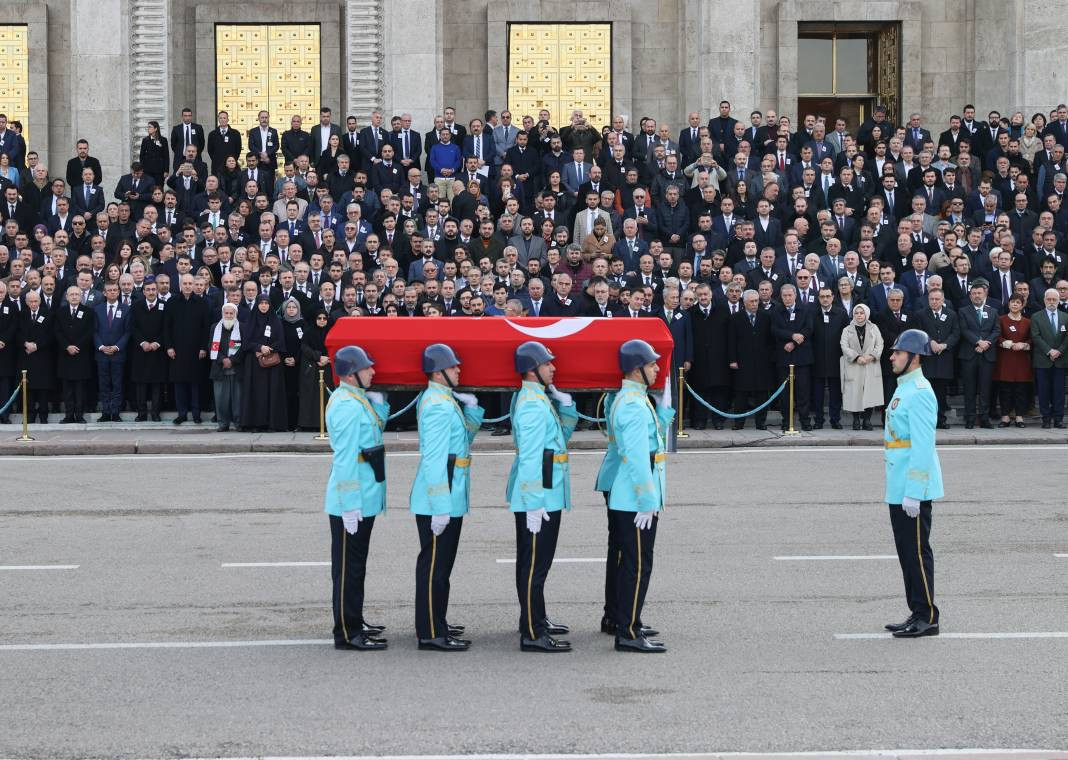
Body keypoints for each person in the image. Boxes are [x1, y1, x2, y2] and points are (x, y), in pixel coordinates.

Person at [597, 339, 673, 652]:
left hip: (629, 496)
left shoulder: (635, 399)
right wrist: (647, 500)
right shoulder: (631, 404)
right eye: (652, 363)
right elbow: (637, 457)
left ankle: (628, 620)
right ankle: (627, 631)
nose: (657, 368)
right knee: (637, 564)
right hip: (633, 499)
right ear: (636, 369)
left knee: (631, 561)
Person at [410, 343, 484, 651]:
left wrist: (473, 411)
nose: (459, 370)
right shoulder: (438, 405)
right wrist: (441, 507)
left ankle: (436, 619)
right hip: (438, 500)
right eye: (453, 367)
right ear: (438, 373)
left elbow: (461, 441)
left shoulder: (444, 399)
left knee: (442, 567)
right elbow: (435, 459)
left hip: (449, 496)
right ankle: (430, 631)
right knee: (435, 569)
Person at [506, 340, 578, 652]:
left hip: (546, 491)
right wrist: (534, 503)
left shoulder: (539, 398)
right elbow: (532, 458)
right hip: (540, 496)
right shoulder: (533, 404)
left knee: (535, 563)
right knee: (535, 565)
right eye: (548, 363)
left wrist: (567, 407)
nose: (554, 367)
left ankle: (535, 618)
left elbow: (558, 439)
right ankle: (533, 633)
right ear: (533, 370)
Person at [324, 345, 390, 651]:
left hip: (364, 495)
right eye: (368, 367)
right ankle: (347, 632)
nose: (373, 371)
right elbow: (347, 458)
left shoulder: (355, 399)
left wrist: (380, 404)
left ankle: (355, 618)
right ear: (352, 374)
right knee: (348, 567)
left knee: (356, 565)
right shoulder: (346, 406)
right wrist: (350, 505)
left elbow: (374, 432)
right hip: (352, 500)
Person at [883, 328, 944, 638]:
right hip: (898, 485)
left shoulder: (920, 391)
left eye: (898, 352)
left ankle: (928, 616)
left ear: (914, 358)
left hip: (912, 489)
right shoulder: (904, 387)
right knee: (907, 553)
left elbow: (922, 447)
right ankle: (916, 610)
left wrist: (914, 494)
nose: (892, 356)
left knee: (918, 553)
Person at [164, 273, 210, 424]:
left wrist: (204, 347)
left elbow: (206, 328)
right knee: (179, 383)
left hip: (196, 350)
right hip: (177, 350)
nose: (188, 286)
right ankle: (182, 413)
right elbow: (167, 327)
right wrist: (169, 347)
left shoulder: (202, 303)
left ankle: (196, 413)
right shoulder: (172, 302)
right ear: (180, 285)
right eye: (185, 283)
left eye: (191, 283)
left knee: (195, 383)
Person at [239, 293, 287, 431]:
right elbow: (246, 343)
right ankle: (255, 423)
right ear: (257, 304)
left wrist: (269, 349)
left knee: (271, 393)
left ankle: (272, 423)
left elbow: (281, 342)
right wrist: (260, 347)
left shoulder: (275, 320)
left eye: (266, 303)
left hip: (272, 364)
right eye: (261, 303)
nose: (264, 306)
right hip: (254, 364)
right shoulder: (251, 320)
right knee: (256, 393)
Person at [840, 303, 884, 430]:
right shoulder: (847, 329)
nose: (859, 315)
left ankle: (867, 420)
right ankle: (856, 420)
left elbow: (880, 344)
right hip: (854, 365)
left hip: (870, 364)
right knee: (855, 394)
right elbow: (844, 346)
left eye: (861, 313)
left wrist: (872, 356)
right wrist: (856, 357)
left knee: (870, 394)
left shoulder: (874, 328)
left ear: (866, 314)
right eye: (856, 313)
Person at [129, 276, 167, 421]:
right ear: (143, 292)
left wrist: (157, 342)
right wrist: (143, 342)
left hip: (158, 351)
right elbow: (133, 327)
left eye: (153, 289)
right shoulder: (136, 305)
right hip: (141, 351)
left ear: (157, 290)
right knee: (141, 384)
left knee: (157, 384)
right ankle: (142, 413)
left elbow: (167, 328)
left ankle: (156, 413)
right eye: (148, 290)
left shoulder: (164, 305)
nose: (151, 292)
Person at [93, 281, 132, 422]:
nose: (112, 292)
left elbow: (128, 331)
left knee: (117, 383)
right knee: (103, 383)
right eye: (109, 290)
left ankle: (115, 412)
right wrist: (101, 347)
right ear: (104, 292)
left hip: (118, 353)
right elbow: (94, 331)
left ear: (119, 292)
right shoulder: (97, 309)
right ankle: (105, 411)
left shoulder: (126, 309)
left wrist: (117, 347)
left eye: (115, 290)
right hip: (101, 353)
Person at [55, 285, 94, 423]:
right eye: (71, 294)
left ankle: (79, 415)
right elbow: (57, 332)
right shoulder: (60, 312)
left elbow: (89, 332)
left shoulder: (88, 312)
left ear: (81, 296)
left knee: (80, 389)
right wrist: (67, 346)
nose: (74, 297)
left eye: (77, 294)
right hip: (65, 356)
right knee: (67, 389)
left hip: (81, 355)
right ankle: (68, 415)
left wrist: (77, 346)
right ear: (67, 297)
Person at [1030, 287, 1068, 429]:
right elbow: (1035, 336)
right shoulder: (1036, 316)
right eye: (1049, 299)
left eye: (1054, 299)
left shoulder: (1065, 317)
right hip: (1042, 360)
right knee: (1044, 391)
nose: (1051, 302)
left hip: (1060, 360)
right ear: (1044, 300)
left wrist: (1059, 351)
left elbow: (1067, 338)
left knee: (1059, 392)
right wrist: (1049, 351)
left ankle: (1058, 419)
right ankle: (1046, 418)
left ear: (1059, 301)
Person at [993, 294, 1032, 427]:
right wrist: (1006, 343)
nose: (1015, 304)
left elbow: (1032, 339)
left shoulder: (1028, 322)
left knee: (1021, 390)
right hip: (1005, 359)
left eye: (1017, 302)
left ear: (1022, 305)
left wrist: (1025, 345)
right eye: (1012, 302)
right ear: (1008, 304)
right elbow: (996, 336)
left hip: (1022, 360)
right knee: (1005, 390)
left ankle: (1019, 417)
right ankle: (1005, 417)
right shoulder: (1001, 319)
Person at [208, 302, 243, 432]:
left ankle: (239, 423)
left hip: (236, 369)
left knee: (238, 399)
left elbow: (244, 348)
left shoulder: (242, 328)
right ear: (222, 314)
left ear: (235, 314)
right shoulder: (214, 328)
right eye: (226, 313)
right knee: (221, 399)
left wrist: (232, 360)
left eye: (231, 313)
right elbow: (211, 346)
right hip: (219, 369)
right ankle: (223, 423)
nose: (228, 315)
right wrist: (223, 359)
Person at [298, 308, 333, 430]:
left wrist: (327, 358)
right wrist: (318, 357)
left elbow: (335, 347)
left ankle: (327, 424)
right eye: (319, 318)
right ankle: (310, 425)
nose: (322, 321)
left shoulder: (331, 332)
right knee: (311, 397)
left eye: (324, 318)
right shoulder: (309, 332)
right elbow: (304, 347)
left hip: (328, 368)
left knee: (327, 397)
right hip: (313, 368)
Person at [279, 297, 305, 431]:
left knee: (297, 393)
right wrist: (285, 358)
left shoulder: (303, 324)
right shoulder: (280, 324)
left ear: (298, 309)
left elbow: (304, 345)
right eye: (288, 307)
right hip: (283, 365)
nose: (291, 310)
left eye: (294, 307)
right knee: (285, 394)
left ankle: (297, 423)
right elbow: (278, 343)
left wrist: (296, 359)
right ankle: (286, 423)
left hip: (298, 365)